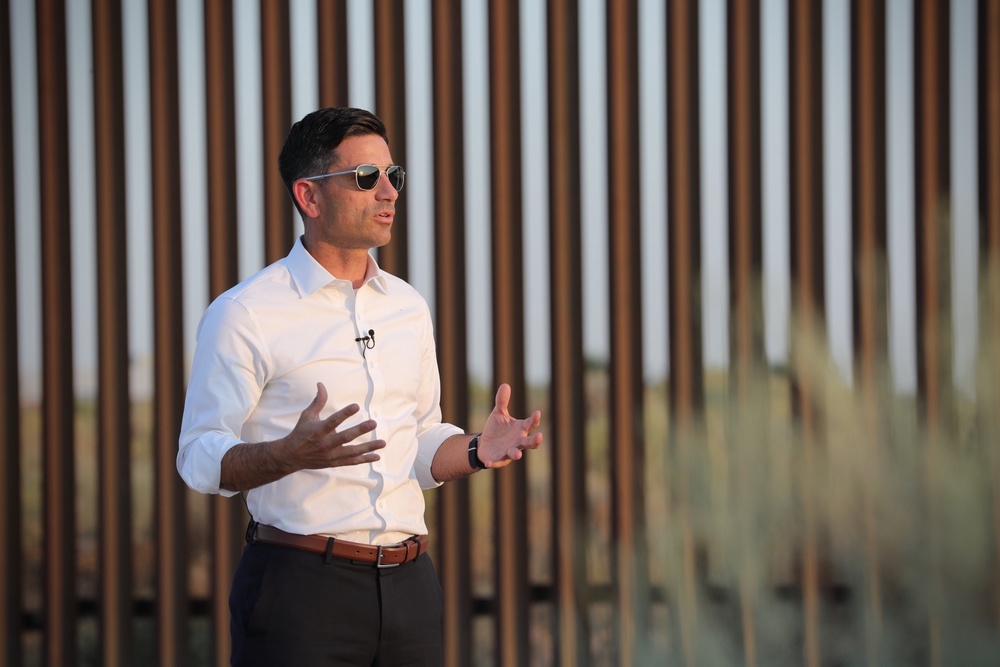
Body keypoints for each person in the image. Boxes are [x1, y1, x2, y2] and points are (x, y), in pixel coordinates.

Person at [177, 107, 543, 666]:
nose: (389, 193)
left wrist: (475, 449)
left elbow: (417, 445)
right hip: (300, 591)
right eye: (366, 178)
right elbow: (199, 456)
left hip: (411, 588)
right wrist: (285, 455)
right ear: (309, 196)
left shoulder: (407, 306)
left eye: (394, 177)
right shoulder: (245, 313)